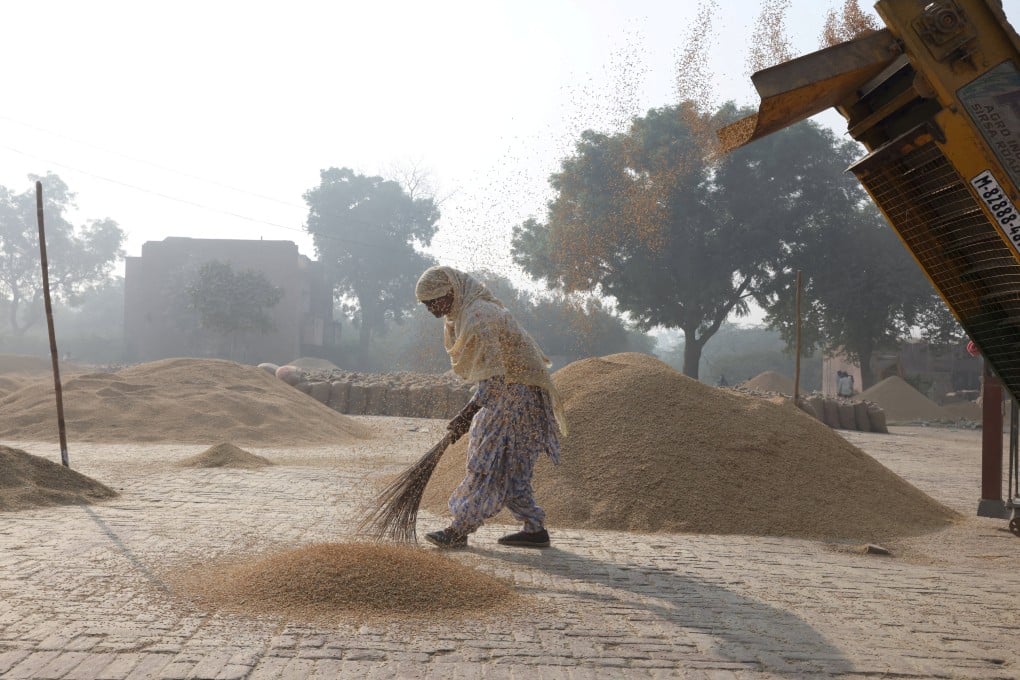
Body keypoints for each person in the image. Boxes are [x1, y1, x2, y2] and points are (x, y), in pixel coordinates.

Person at [414, 265, 567, 549]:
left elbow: (494, 382)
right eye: (426, 305)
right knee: (512, 466)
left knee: (486, 462)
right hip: (520, 393)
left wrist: (465, 415)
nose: (431, 309)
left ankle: (459, 529)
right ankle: (534, 528)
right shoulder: (464, 314)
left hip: (515, 395)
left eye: (433, 302)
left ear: (449, 293)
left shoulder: (477, 317)